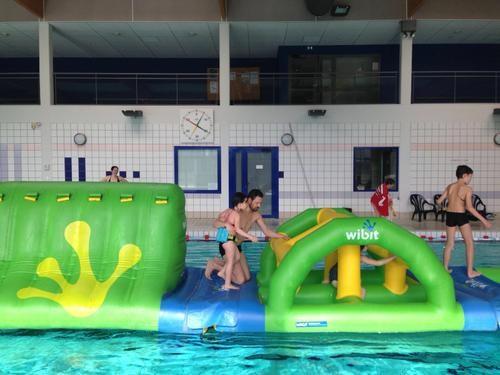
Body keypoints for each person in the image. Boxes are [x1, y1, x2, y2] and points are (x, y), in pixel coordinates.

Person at [205, 189, 288, 284]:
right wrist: (225, 225)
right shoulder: (236, 211)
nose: (259, 205)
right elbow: (215, 223)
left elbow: (267, 232)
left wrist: (281, 236)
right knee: (240, 280)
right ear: (249, 200)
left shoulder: (256, 216)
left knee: (247, 277)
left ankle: (217, 262)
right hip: (228, 246)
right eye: (257, 203)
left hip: (238, 247)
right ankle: (214, 265)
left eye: (260, 203)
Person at [436, 165, 492, 278]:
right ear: (465, 175)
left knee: (450, 243)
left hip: (450, 215)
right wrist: (484, 220)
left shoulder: (450, 186)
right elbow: (469, 208)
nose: (470, 180)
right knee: (469, 243)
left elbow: (439, 201)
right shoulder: (467, 189)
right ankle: (470, 272)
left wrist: (445, 207)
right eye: (470, 177)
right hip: (461, 216)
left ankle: (445, 268)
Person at [208, 192, 258, 290]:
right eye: (244, 202)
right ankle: (227, 284)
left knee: (237, 257)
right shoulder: (236, 215)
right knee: (231, 262)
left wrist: (225, 224)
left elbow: (217, 223)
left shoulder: (227, 211)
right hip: (229, 240)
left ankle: (222, 271)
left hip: (223, 239)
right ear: (238, 204)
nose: (246, 204)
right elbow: (238, 230)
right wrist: (250, 236)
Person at [323, 250, 396, 299]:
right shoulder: (360, 257)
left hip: (334, 274)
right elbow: (378, 263)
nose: (367, 248)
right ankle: (358, 307)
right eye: (366, 246)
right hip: (337, 276)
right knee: (362, 290)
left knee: (355, 288)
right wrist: (393, 256)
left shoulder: (346, 253)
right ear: (362, 248)